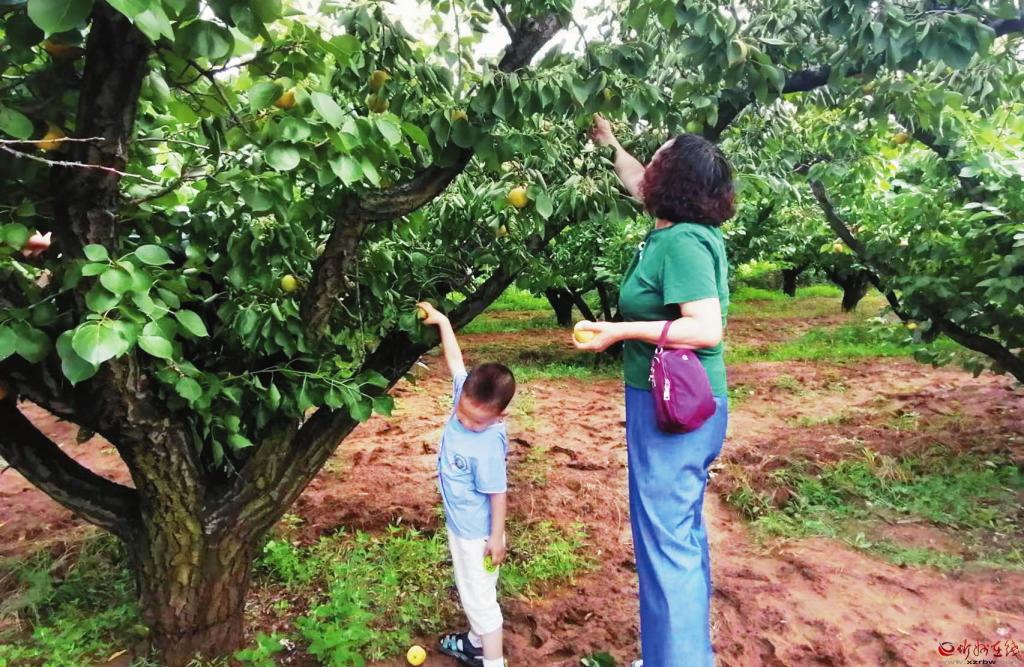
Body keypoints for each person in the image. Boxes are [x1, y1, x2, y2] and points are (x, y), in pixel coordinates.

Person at [573, 114, 735, 667]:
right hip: (674, 404)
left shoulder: (683, 243)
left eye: (658, 157)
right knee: (676, 532)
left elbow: (705, 328)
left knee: (665, 541)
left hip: (674, 410)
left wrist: (619, 331)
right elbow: (634, 178)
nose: (649, 165)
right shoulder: (676, 231)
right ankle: (684, 655)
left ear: (672, 180)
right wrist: (610, 144)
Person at [418, 301, 513, 667]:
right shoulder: (466, 393)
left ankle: (493, 661)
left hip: (478, 535)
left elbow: (498, 494)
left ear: (499, 416)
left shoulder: (487, 447)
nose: (467, 423)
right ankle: (474, 643)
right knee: (473, 590)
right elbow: (456, 362)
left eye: (477, 421)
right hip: (461, 526)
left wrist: (496, 537)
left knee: (481, 602)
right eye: (463, 414)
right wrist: (443, 321)